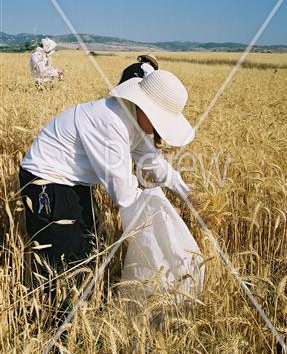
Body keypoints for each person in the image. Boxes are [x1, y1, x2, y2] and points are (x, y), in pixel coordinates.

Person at [19, 69, 195, 278]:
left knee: (89, 243)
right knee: (63, 258)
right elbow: (123, 193)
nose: (160, 129)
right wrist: (161, 210)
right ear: (145, 108)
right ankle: (57, 309)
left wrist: (188, 194)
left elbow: (155, 163)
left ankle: (81, 302)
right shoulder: (111, 122)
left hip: (74, 182)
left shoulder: (133, 119)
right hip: (47, 180)